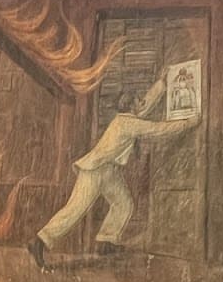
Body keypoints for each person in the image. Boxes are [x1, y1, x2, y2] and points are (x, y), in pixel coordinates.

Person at [30, 74, 199, 268]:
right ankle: (40, 241)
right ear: (131, 105)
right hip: (94, 170)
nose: (141, 102)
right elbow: (158, 129)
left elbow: (146, 106)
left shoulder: (127, 119)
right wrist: (189, 123)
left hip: (109, 171)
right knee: (74, 210)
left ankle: (106, 241)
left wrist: (162, 84)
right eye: (138, 100)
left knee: (124, 204)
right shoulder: (128, 124)